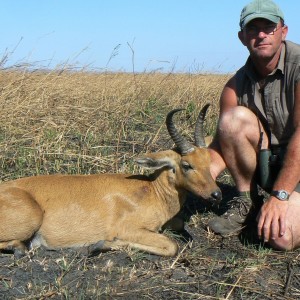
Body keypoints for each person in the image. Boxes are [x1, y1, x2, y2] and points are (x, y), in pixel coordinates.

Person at [207, 0, 300, 251]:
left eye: (268, 27)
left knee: (280, 237)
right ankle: (247, 200)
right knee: (232, 120)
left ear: (284, 31)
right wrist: (200, 176)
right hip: (272, 165)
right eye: (252, 29)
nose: (261, 35)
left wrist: (280, 196)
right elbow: (221, 141)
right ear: (242, 37)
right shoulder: (234, 85)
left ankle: (283, 202)